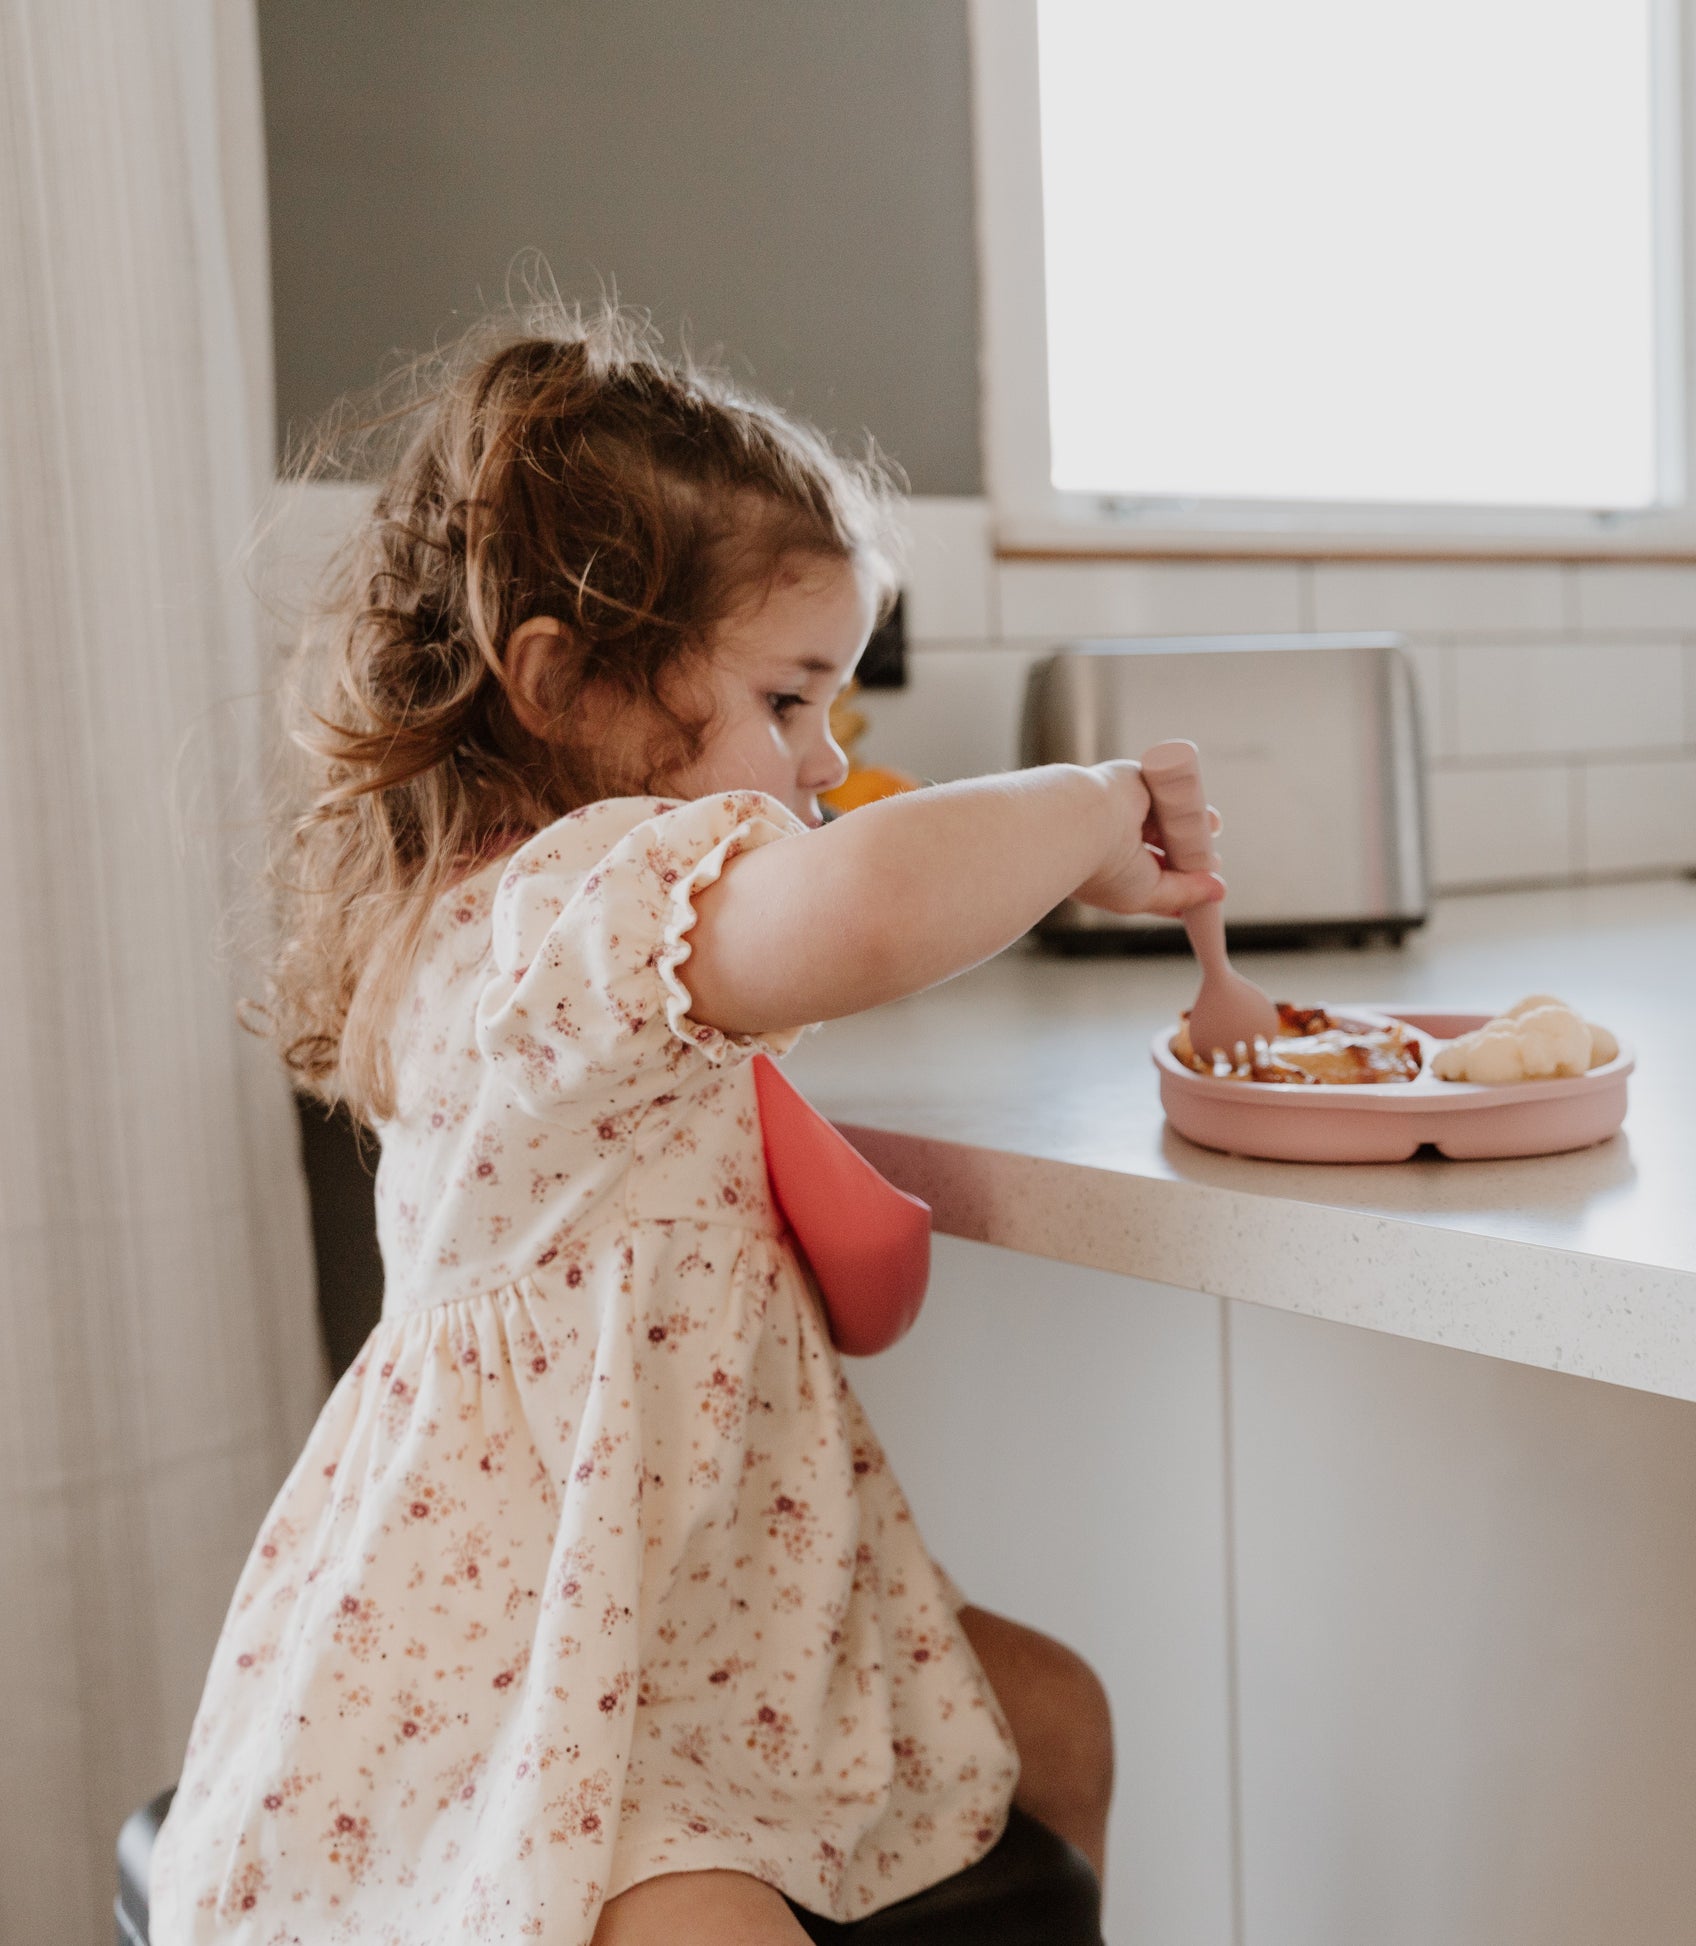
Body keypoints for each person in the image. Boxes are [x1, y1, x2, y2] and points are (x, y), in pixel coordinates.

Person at [150, 302, 1223, 1945]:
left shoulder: (601, 927)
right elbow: (863, 910)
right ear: (569, 686)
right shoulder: (560, 921)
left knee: (1054, 1718)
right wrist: (1084, 808)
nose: (816, 763)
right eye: (789, 701)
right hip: (534, 1679)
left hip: (709, 1617)